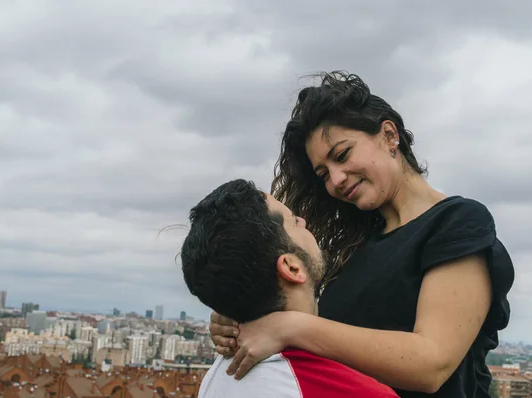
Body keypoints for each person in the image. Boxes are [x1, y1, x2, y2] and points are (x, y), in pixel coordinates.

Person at [208, 71, 514, 397]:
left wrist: (290, 328)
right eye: (323, 173)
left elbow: (431, 364)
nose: (336, 180)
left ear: (388, 135)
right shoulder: (354, 248)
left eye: (341, 155)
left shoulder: (458, 221)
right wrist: (239, 321)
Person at [181, 179, 400, 397]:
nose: (303, 221)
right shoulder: (355, 392)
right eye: (294, 221)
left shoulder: (216, 378)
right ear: (291, 268)